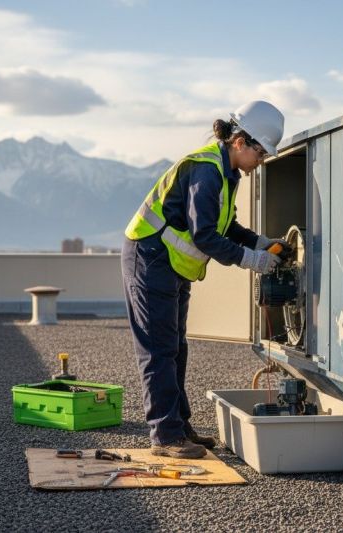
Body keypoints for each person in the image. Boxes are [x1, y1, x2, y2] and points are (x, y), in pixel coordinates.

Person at [121, 100, 287, 459]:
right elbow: (205, 236)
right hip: (150, 258)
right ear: (240, 142)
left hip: (168, 263)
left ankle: (179, 427)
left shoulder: (226, 173)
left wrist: (261, 243)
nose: (261, 162)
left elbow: (226, 226)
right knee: (159, 350)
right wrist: (252, 260)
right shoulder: (208, 171)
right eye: (260, 152)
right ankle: (165, 436)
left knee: (176, 348)